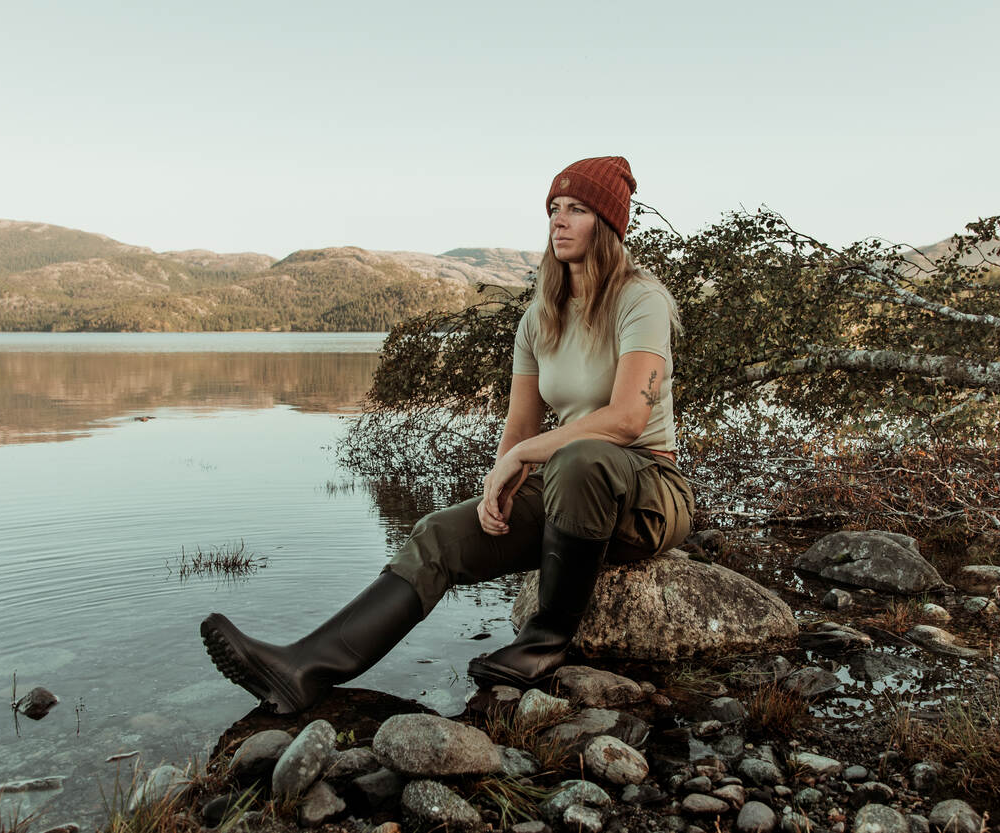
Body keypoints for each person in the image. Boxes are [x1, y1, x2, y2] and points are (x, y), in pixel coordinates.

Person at [200, 156, 694, 714]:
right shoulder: (539, 318)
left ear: (606, 225)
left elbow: (628, 418)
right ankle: (304, 669)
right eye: (553, 209)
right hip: (572, 494)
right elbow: (521, 425)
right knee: (438, 534)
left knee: (581, 457)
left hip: (649, 491)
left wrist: (525, 457)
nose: (558, 221)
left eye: (576, 210)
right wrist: (497, 482)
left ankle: (546, 641)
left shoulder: (640, 300)